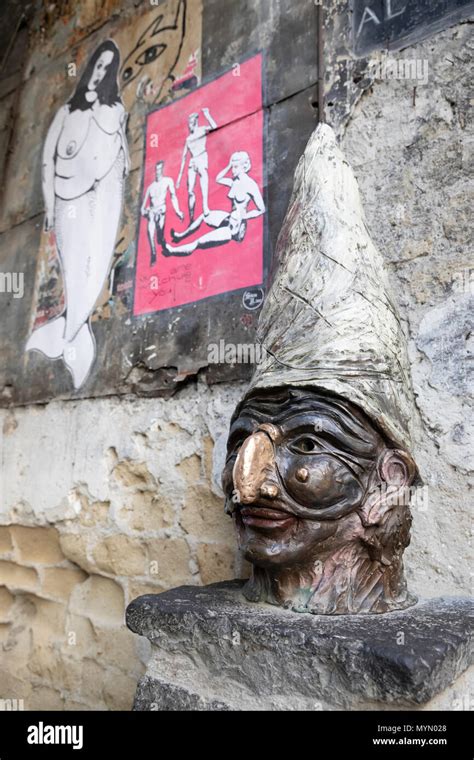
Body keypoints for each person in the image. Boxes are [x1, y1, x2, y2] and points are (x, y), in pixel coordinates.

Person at [25, 40, 129, 389]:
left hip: (98, 203)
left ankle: (73, 334)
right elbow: (46, 161)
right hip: (66, 200)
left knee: (93, 265)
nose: (100, 73)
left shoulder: (113, 111)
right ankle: (66, 332)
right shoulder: (66, 111)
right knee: (72, 267)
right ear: (89, 70)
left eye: (106, 68)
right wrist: (51, 208)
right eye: (96, 66)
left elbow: (121, 160)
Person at [164, 151, 265, 257]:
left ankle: (171, 251)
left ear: (243, 167)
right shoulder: (234, 182)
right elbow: (218, 179)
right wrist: (229, 165)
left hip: (236, 228)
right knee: (205, 215)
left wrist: (245, 216)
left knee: (199, 242)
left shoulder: (250, 185)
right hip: (229, 218)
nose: (233, 170)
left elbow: (261, 209)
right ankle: (180, 236)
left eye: (235, 167)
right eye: (232, 167)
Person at [176, 107, 217, 221]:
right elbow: (184, 157)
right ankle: (191, 217)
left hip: (202, 156)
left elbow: (214, 126)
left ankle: (205, 206)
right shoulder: (188, 139)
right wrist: (179, 177)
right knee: (190, 191)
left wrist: (207, 114)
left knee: (203, 175)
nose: (190, 126)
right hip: (193, 160)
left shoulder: (202, 130)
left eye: (191, 123)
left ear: (195, 122)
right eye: (189, 124)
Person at [141, 160, 183, 265]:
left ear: (162, 169)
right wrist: (146, 212)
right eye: (156, 170)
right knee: (150, 232)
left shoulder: (168, 181)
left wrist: (178, 211)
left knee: (159, 236)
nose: (158, 172)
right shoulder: (150, 187)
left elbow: (173, 197)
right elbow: (142, 208)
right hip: (152, 212)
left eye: (160, 169)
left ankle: (160, 237)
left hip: (161, 210)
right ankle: (153, 254)